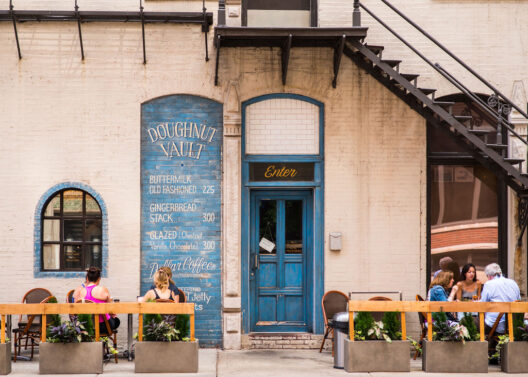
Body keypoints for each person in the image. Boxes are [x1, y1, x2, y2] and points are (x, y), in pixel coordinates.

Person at [480, 263, 520, 335]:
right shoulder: (513, 283)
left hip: (494, 325)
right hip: (513, 325)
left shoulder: (489, 284)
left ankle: (484, 344)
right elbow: (519, 301)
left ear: (489, 276)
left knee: (468, 321)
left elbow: (482, 305)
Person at [78, 267, 120, 332]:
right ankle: (105, 341)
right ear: (99, 279)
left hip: (87, 326)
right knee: (117, 321)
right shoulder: (102, 289)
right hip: (103, 325)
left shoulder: (82, 291)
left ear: (87, 278)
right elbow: (111, 309)